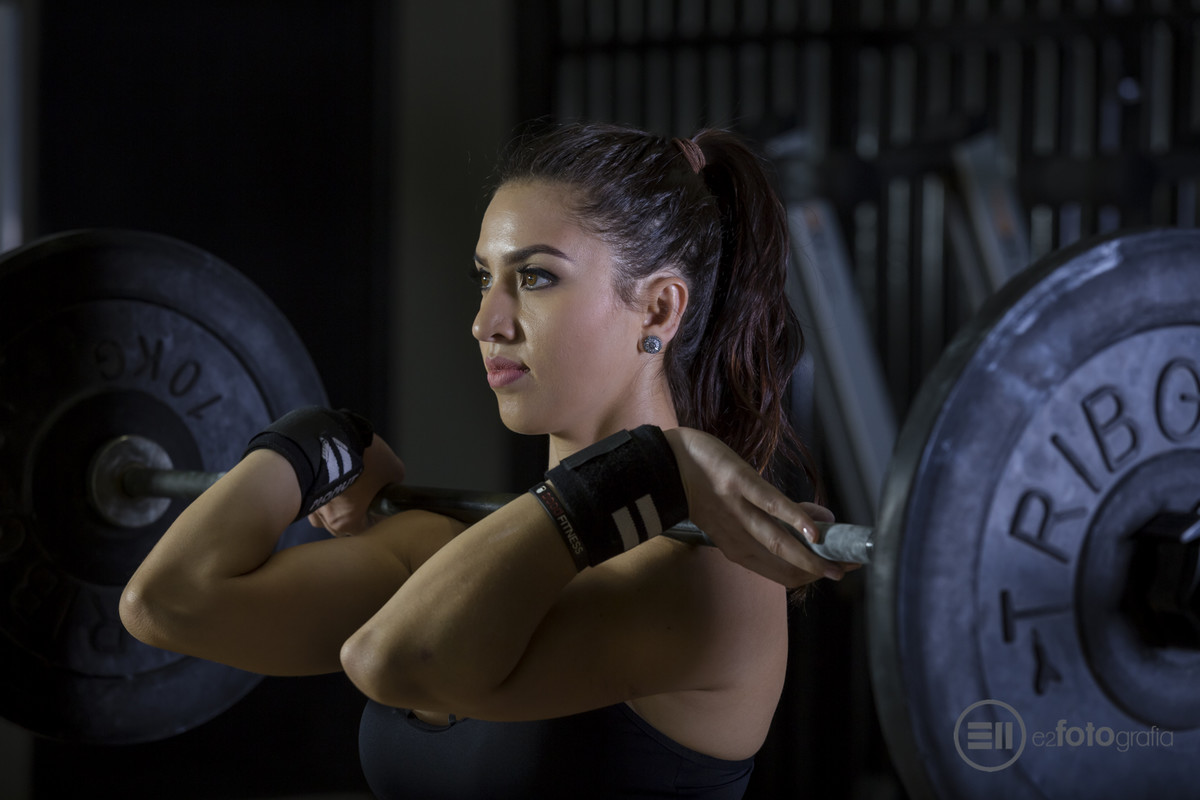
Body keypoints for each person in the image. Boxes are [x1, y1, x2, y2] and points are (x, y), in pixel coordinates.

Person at [120, 122, 851, 799]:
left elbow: (392, 660)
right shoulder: (455, 548)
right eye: (484, 278)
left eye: (533, 278)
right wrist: (315, 443)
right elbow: (168, 602)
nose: (486, 323)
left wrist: (649, 469)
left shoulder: (709, 583)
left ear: (659, 310)